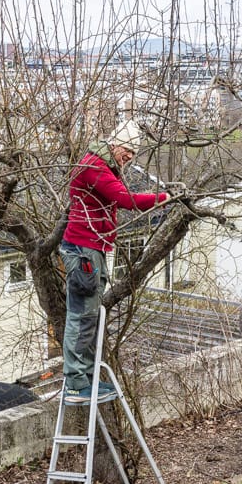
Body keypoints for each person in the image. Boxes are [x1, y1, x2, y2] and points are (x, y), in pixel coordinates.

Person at [60, 120, 169, 403]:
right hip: (84, 249)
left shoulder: (102, 166)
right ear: (114, 144)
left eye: (134, 153)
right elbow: (124, 199)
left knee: (88, 315)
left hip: (90, 248)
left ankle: (84, 380)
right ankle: (76, 383)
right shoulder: (95, 167)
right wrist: (164, 198)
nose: (130, 157)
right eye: (128, 150)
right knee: (82, 316)